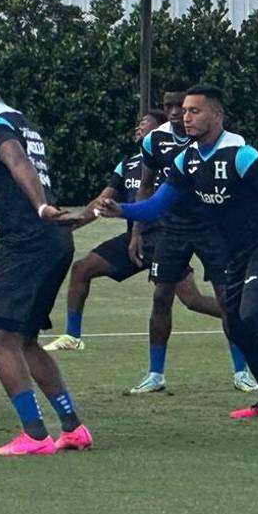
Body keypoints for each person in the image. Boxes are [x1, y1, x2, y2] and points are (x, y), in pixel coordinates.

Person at [99, 84, 258, 418]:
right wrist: (121, 211)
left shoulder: (241, 154)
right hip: (236, 254)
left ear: (217, 114)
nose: (186, 118)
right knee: (237, 325)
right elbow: (156, 207)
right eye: (183, 111)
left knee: (253, 314)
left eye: (194, 111)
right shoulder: (188, 159)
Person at [0, 55, 92, 456]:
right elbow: (17, 185)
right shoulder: (22, 121)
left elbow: (17, 164)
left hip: (28, 242)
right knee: (25, 339)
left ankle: (34, 434)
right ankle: (72, 427)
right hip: (53, 241)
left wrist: (42, 207)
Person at [46, 109, 232, 357]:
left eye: (145, 124)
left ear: (160, 131)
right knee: (82, 268)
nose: (139, 128)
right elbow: (103, 200)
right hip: (134, 239)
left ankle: (238, 317)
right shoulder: (127, 165)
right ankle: (72, 336)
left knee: (192, 300)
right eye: (139, 125)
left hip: (165, 239)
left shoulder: (176, 161)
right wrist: (76, 222)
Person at [127, 83, 253, 394]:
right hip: (171, 228)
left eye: (182, 107)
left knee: (228, 298)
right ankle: (155, 374)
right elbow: (145, 186)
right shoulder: (154, 141)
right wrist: (136, 232)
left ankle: (242, 370)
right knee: (161, 298)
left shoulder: (216, 139)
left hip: (214, 228)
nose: (175, 113)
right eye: (169, 106)